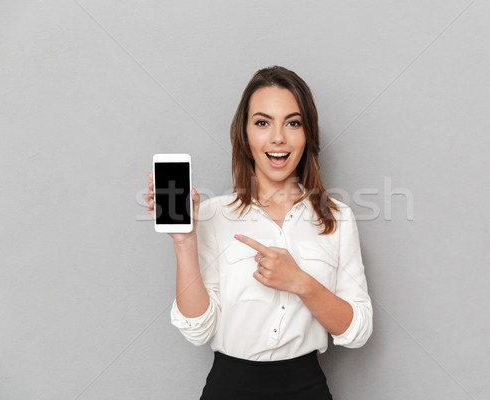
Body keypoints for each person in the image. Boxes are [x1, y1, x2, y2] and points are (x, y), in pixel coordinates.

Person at [145, 65, 373, 399]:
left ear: (307, 135)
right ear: (244, 135)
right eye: (262, 122)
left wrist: (301, 282)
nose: (278, 137)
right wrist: (185, 241)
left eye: (292, 123)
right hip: (229, 388)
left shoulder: (338, 218)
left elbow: (357, 331)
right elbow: (198, 331)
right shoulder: (211, 215)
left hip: (306, 387)